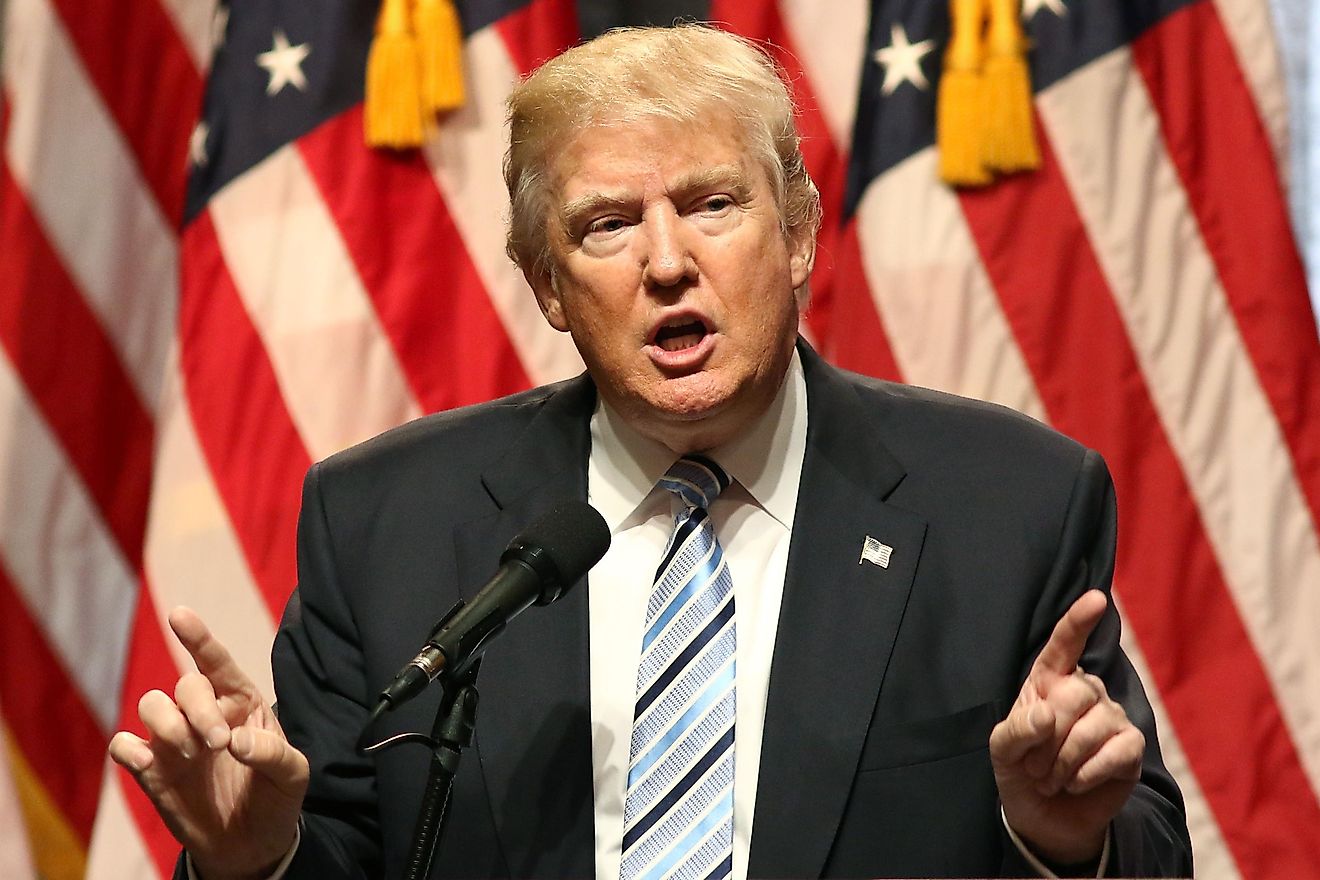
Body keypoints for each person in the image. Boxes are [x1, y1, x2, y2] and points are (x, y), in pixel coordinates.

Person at [109, 25, 1193, 880]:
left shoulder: (1008, 505)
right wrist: (256, 859)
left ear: (802, 231)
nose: (667, 261)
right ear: (546, 284)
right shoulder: (386, 521)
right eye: (606, 226)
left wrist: (1062, 846)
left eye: (714, 204)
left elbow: (1137, 836)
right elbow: (347, 849)